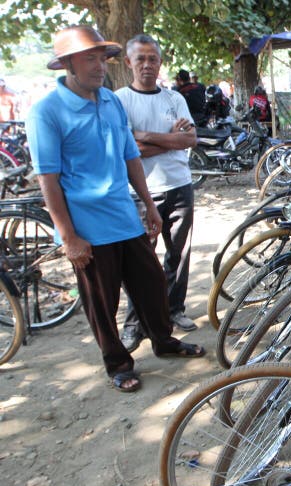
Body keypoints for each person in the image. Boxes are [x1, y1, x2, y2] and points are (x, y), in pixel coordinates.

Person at [25, 25, 205, 393]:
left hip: (124, 213)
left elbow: (129, 156)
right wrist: (69, 236)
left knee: (153, 284)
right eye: (89, 59)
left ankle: (164, 341)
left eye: (101, 58)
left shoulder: (109, 101)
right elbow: (49, 179)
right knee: (101, 302)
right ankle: (118, 363)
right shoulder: (46, 111)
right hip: (86, 225)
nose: (99, 66)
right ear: (67, 64)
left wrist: (148, 206)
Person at [115, 33, 200, 353]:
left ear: (160, 62)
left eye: (153, 59)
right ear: (129, 62)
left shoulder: (174, 99)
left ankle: (173, 309)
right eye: (141, 59)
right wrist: (168, 137)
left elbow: (189, 141)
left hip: (180, 186)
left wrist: (145, 137)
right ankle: (135, 324)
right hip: (141, 193)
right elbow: (127, 150)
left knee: (178, 255)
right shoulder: (120, 99)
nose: (147, 65)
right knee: (140, 262)